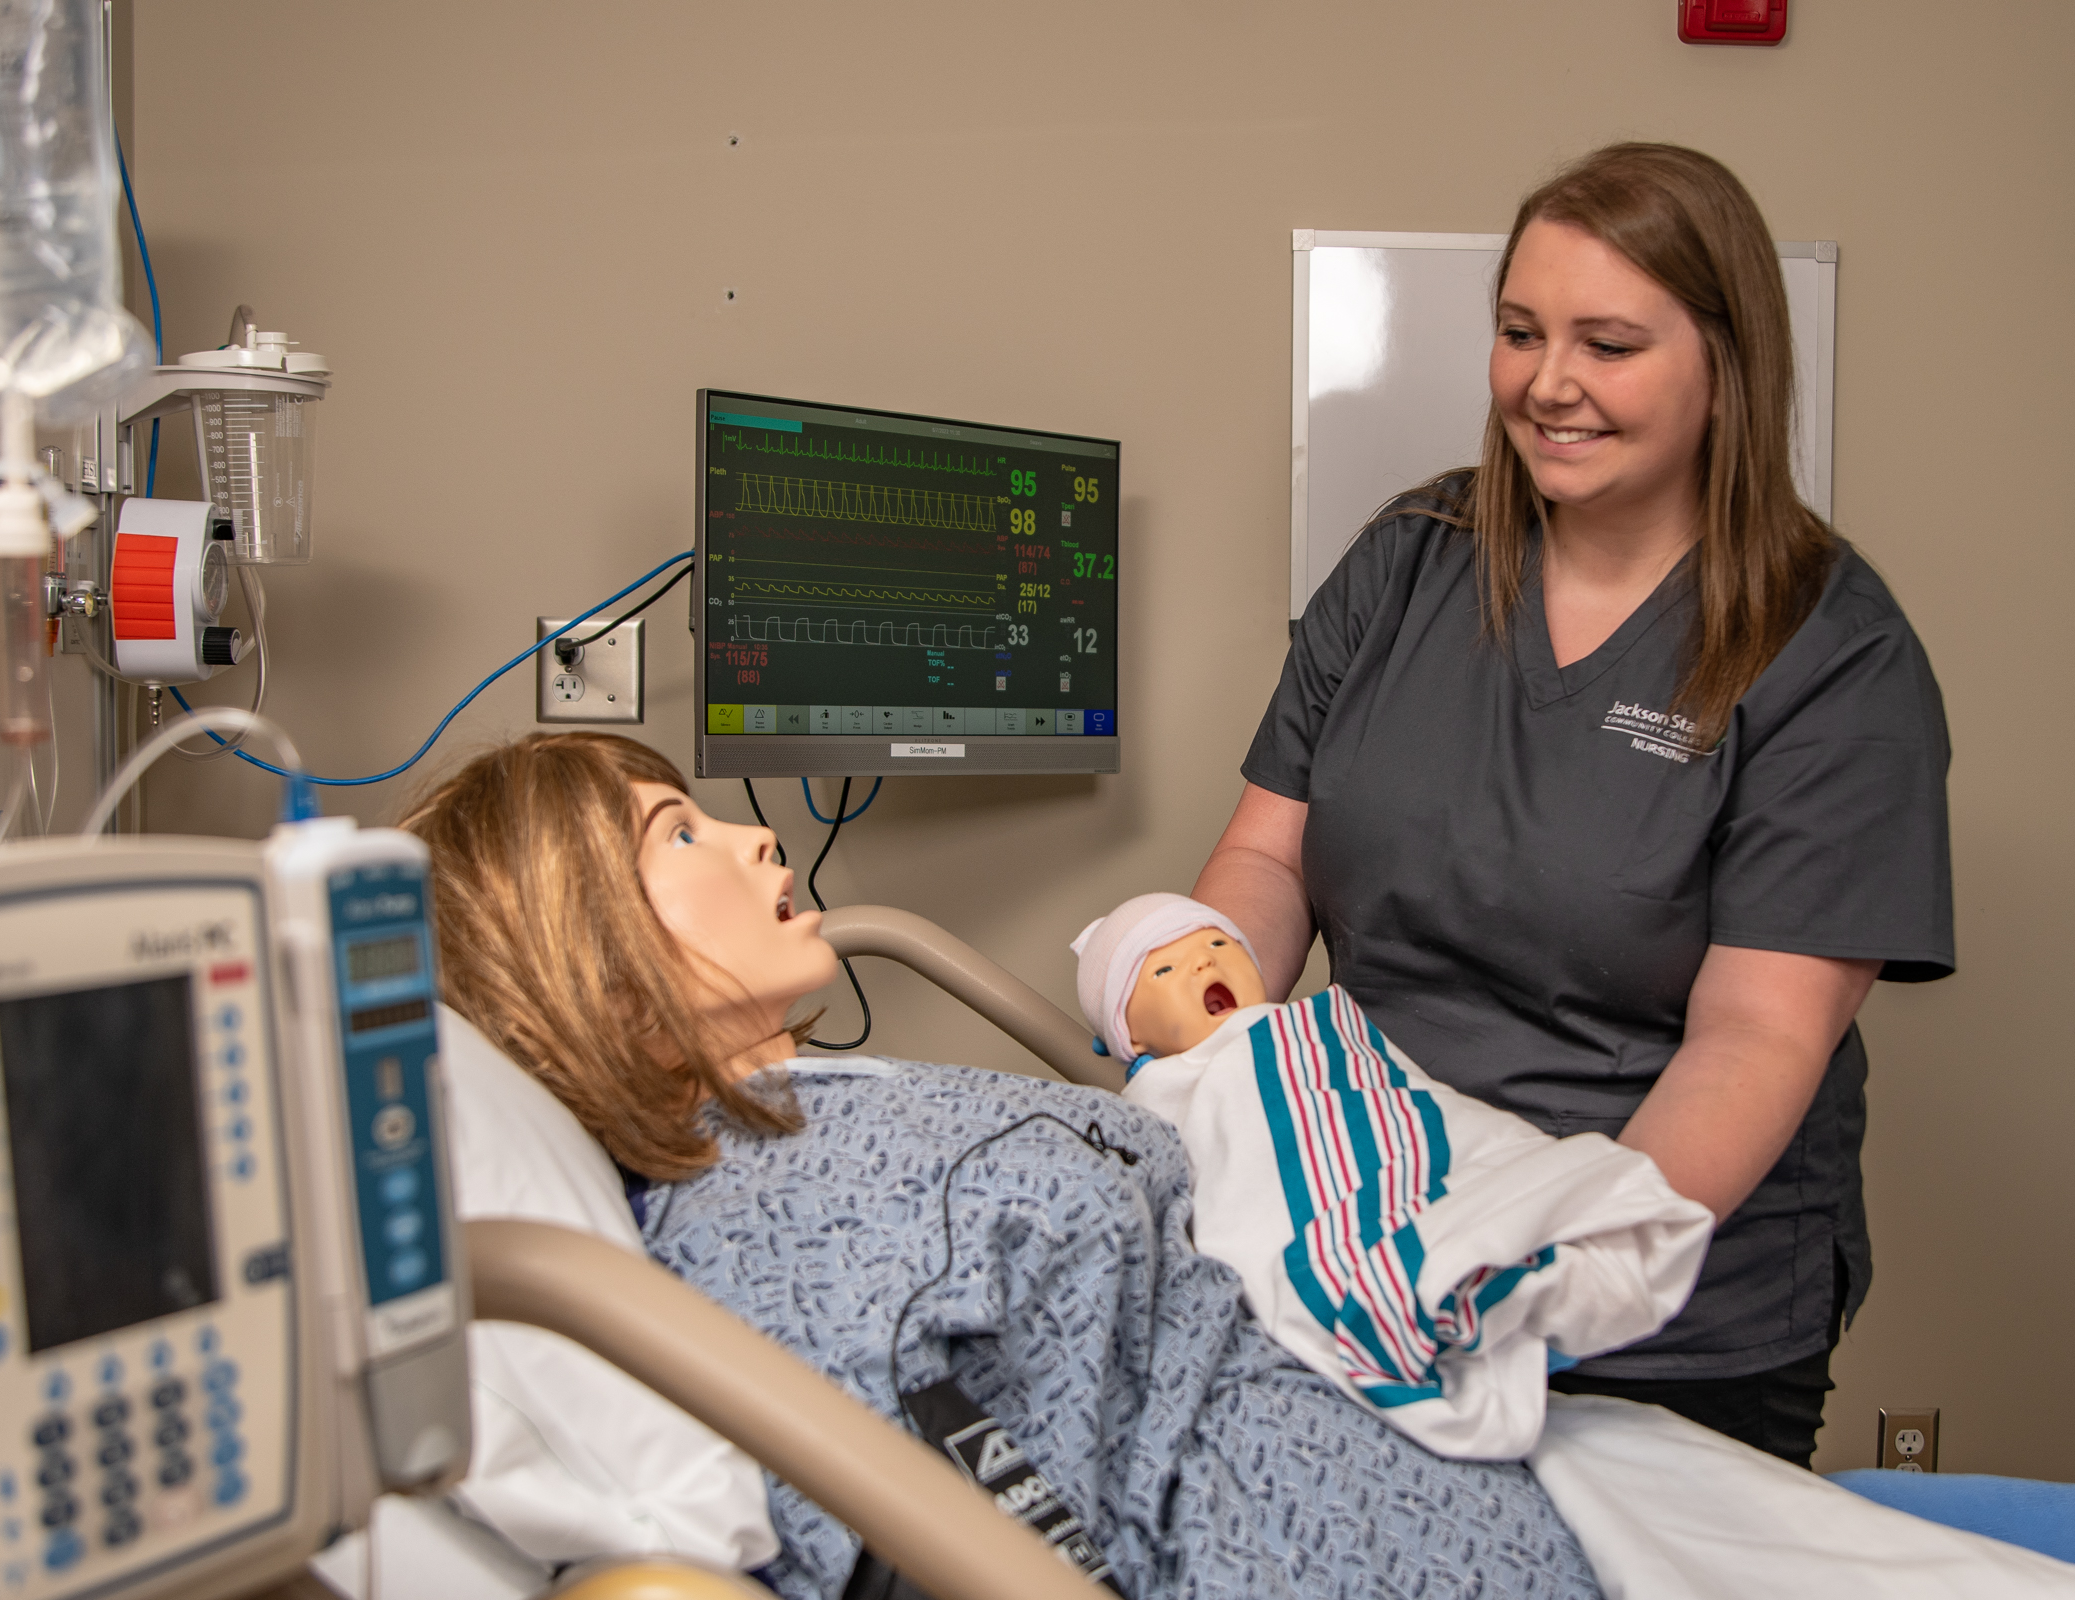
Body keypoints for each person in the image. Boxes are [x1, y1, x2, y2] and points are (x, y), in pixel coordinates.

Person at [403, 732, 1605, 1600]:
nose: (752, 831)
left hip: (1418, 1476)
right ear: (585, 954)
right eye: (677, 832)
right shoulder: (748, 1217)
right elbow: (933, 1513)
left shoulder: (824, 1106)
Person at [1193, 143, 1953, 1466]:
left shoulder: (1830, 652)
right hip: (1371, 1232)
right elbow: (1270, 856)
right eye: (1519, 333)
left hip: (1657, 1313)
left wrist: (1544, 1272)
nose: (1549, 384)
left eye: (1608, 343)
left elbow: (1758, 1039)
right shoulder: (1409, 564)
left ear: (1728, 364)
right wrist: (1201, 1021)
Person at [1069, 891, 1712, 1461]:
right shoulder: (1159, 1091)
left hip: (1401, 1140)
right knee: (1347, 1248)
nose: (1205, 963)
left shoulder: (1310, 1027)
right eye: (1164, 970)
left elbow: (1389, 1097)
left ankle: (1512, 1247)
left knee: (1481, 1161)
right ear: (1128, 1036)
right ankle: (1439, 1283)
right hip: (1331, 1204)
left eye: (1216, 943)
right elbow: (1214, 1179)